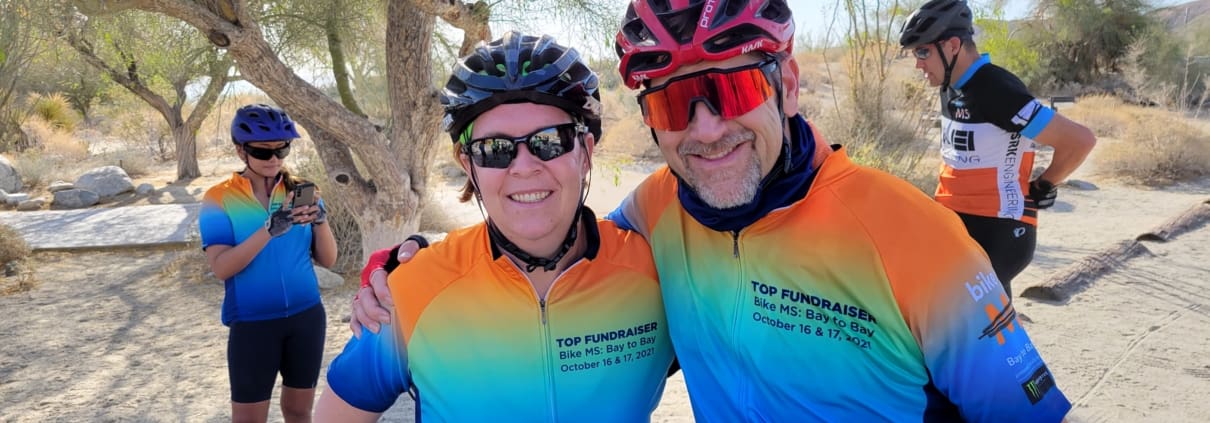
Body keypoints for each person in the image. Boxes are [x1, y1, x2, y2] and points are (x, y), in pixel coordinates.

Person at [354, 1, 1071, 421]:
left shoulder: (913, 233)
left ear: (785, 82)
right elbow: (557, 245)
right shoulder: (660, 208)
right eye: (671, 102)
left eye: (728, 93)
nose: (704, 129)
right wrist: (406, 260)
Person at [313, 31, 674, 422]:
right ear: (468, 165)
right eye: (495, 149)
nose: (523, 167)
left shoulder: (658, 276)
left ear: (585, 153)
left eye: (549, 141)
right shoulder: (414, 287)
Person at [899, 0, 1097, 295]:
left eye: (923, 51)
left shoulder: (996, 88)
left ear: (953, 45)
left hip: (999, 231)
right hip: (957, 224)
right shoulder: (950, 86)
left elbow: (1080, 141)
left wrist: (1045, 184)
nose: (918, 63)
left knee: (956, 322)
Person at [198, 103, 338, 423]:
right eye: (263, 152)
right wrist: (268, 231)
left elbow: (328, 260)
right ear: (240, 151)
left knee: (299, 411)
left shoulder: (302, 191)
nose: (274, 159)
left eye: (282, 149)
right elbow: (221, 267)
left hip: (307, 318)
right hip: (252, 323)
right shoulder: (217, 199)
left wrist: (320, 220)